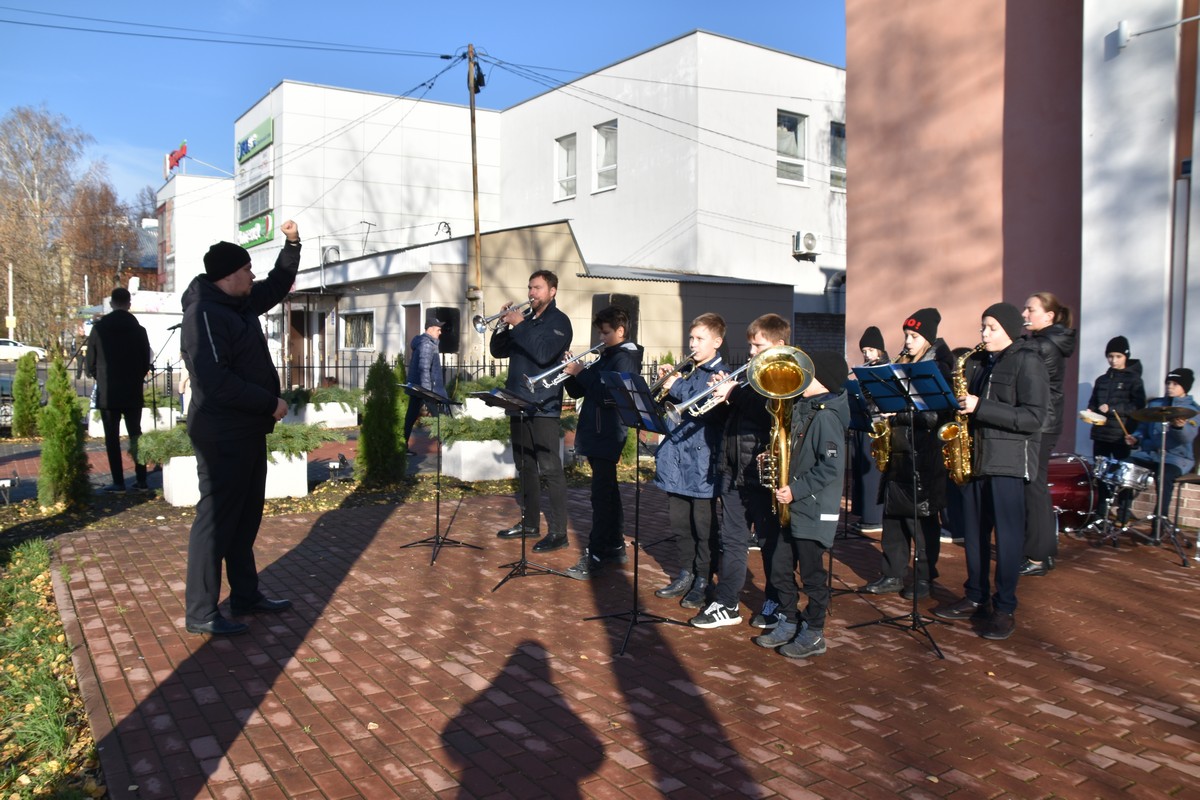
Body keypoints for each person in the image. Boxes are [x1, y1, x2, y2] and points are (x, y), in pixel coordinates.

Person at [180, 223, 300, 636]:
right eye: (248, 270)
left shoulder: (239, 304)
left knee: (245, 518)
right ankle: (201, 612)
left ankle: (246, 594)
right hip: (221, 436)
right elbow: (216, 382)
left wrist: (292, 245)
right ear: (229, 275)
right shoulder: (204, 314)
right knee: (216, 521)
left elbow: (278, 284)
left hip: (247, 431)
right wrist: (271, 403)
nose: (253, 276)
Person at [934, 303, 1048, 641]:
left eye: (992, 328)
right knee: (974, 535)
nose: (984, 334)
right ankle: (975, 595)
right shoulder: (980, 362)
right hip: (975, 460)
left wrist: (981, 405)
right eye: (983, 327)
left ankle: (1005, 606)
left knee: (1009, 539)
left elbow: (1034, 418)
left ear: (1009, 330)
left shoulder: (1028, 361)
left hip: (1008, 463)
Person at [689, 313, 789, 629]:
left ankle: (778, 600)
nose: (751, 352)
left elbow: (767, 412)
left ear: (779, 345)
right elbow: (736, 416)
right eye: (750, 345)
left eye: (757, 345)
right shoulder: (748, 374)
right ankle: (727, 602)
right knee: (733, 539)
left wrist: (733, 393)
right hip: (733, 466)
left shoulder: (785, 375)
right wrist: (721, 395)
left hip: (762, 470)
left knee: (771, 540)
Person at [752, 351, 849, 659]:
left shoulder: (826, 417)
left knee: (812, 574)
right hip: (793, 507)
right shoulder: (803, 409)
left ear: (825, 382)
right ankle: (789, 618)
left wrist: (794, 490)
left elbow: (831, 467)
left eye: (810, 374)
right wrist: (774, 460)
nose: (802, 379)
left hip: (812, 508)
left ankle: (815, 630)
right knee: (780, 568)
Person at [858, 308, 953, 601]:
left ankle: (924, 576)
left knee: (921, 521)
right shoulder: (899, 363)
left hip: (924, 455)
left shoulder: (938, 368)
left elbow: (937, 416)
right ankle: (892, 573)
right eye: (906, 335)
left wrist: (897, 415)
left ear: (928, 338)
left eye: (914, 336)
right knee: (894, 520)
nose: (908, 342)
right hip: (898, 453)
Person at [490, 271, 573, 553]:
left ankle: (560, 532)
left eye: (537, 288)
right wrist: (502, 326)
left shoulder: (559, 322)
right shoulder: (528, 320)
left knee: (549, 469)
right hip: (518, 401)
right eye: (529, 287)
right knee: (524, 464)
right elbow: (498, 351)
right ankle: (529, 522)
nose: (531, 293)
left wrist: (521, 324)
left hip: (543, 405)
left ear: (552, 291)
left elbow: (543, 353)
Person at [653, 313, 728, 610]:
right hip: (676, 459)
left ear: (717, 342)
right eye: (691, 338)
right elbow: (669, 406)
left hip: (702, 462)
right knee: (680, 524)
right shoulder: (688, 371)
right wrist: (664, 383)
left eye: (700, 339)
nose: (693, 344)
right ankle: (686, 572)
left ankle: (703, 578)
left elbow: (700, 404)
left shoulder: (721, 374)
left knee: (703, 526)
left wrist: (676, 386)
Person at [562, 306, 643, 579]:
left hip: (608, 431)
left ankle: (595, 553)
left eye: (606, 332)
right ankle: (615, 545)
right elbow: (580, 389)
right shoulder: (607, 355)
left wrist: (582, 372)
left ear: (620, 331)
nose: (601, 336)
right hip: (597, 431)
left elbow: (611, 396)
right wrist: (571, 371)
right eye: (600, 331)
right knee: (607, 492)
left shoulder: (625, 358)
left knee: (601, 496)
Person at [1018, 292, 1077, 577]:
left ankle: (1037, 556)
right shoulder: (1048, 342)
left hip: (1039, 424)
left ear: (1049, 316)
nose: (1024, 314)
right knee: (1036, 487)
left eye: (1030, 309)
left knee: (1034, 489)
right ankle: (1044, 552)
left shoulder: (1042, 346)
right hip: (1046, 423)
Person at [85, 287, 152, 492]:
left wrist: (100, 376)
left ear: (112, 304)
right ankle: (141, 479)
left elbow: (90, 363)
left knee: (111, 437)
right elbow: (145, 361)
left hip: (108, 391)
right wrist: (135, 377)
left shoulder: (99, 329)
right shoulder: (139, 330)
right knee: (135, 434)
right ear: (129, 304)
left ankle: (118, 481)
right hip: (132, 391)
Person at [1123, 368, 1199, 541]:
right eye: (1168, 383)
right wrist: (1136, 438)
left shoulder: (1192, 411)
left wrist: (1179, 427)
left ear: (1185, 387)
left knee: (1163, 476)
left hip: (1177, 458)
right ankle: (1122, 514)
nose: (1170, 387)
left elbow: (1187, 436)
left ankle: (1159, 524)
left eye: (1175, 384)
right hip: (1150, 454)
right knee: (1125, 465)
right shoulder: (1155, 405)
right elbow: (1143, 429)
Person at [849, 326, 888, 534]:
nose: (867, 355)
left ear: (880, 351)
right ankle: (865, 513)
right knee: (860, 472)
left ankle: (874, 517)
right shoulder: (865, 370)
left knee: (873, 472)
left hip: (877, 425)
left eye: (871, 350)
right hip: (863, 423)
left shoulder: (884, 369)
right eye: (864, 351)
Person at [1086, 336, 1145, 463]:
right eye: (1110, 356)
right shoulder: (1102, 380)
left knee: (1118, 472)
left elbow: (1138, 406)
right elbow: (1094, 401)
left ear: (1126, 356)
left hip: (1120, 435)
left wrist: (1112, 409)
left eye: (1118, 356)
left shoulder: (1134, 380)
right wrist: (1090, 410)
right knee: (1099, 471)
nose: (1113, 360)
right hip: (1100, 433)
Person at [403, 314, 446, 449]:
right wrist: (427, 392)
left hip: (418, 387)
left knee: (410, 417)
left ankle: (401, 445)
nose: (440, 332)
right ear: (431, 329)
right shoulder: (427, 344)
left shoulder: (423, 342)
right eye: (438, 329)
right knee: (440, 418)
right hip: (425, 389)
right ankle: (447, 447)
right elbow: (424, 369)